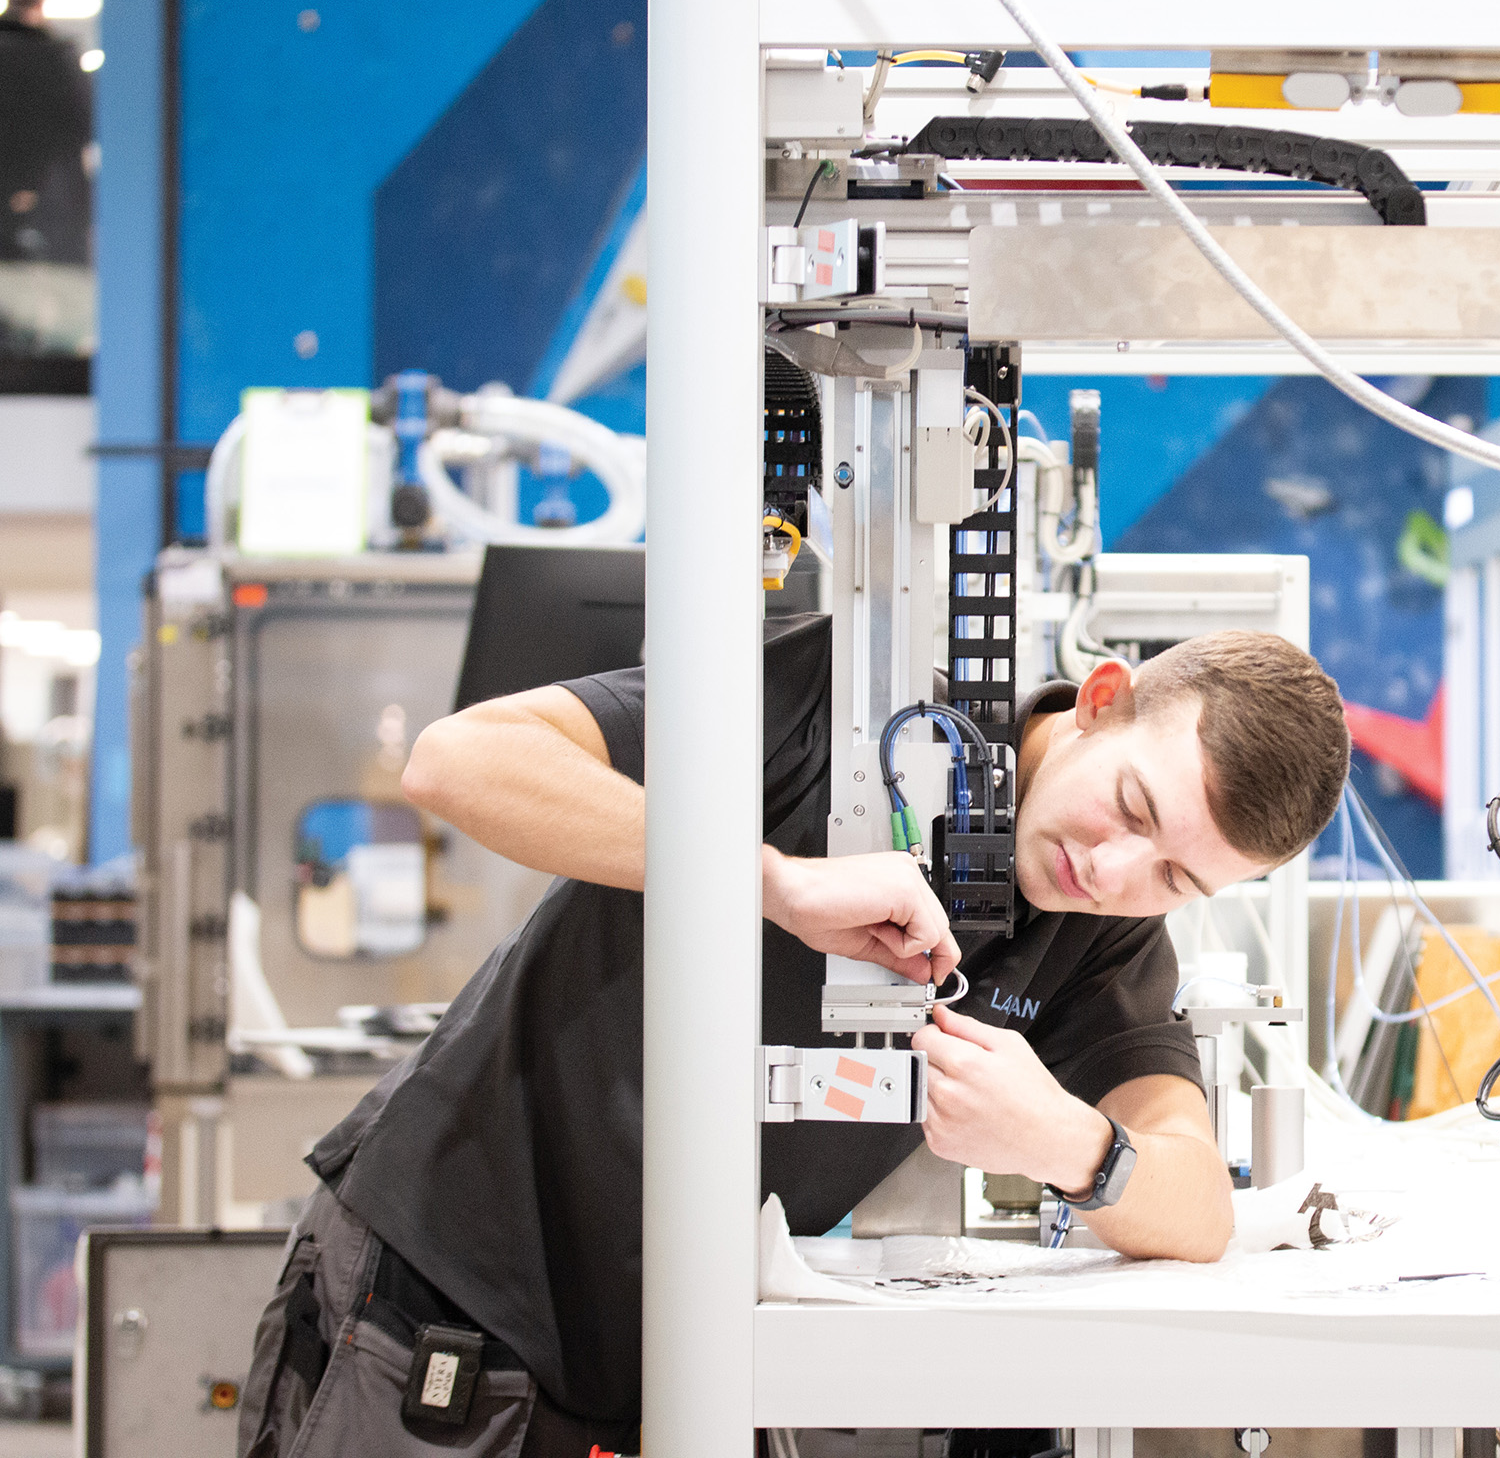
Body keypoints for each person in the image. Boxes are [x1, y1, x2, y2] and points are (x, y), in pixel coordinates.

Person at [236, 617, 1351, 1457]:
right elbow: (459, 760)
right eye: (1134, 809)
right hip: (442, 1296)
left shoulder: (1101, 935)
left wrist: (1065, 1142)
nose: (1111, 871)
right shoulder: (848, 701)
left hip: (664, 1369)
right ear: (1102, 700)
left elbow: (1197, 1205)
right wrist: (770, 880)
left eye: (1175, 877)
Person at [0, 0, 93, 268]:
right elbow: (80, 113)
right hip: (51, 180)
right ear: (39, 4)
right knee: (59, 264)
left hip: (8, 172)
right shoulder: (57, 53)